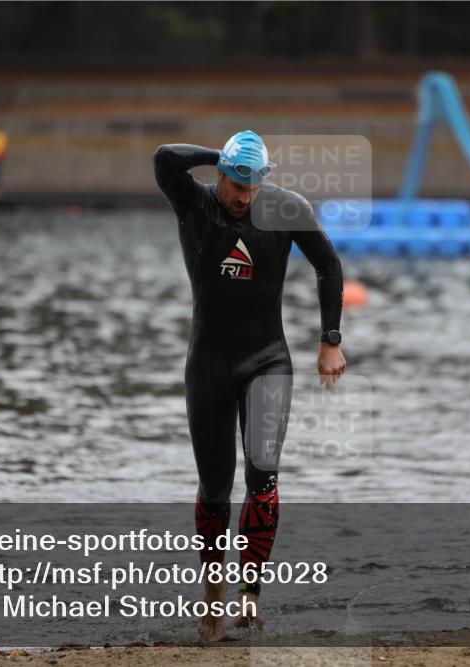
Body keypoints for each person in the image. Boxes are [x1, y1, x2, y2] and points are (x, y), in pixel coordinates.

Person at [153, 131, 346, 641]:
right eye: (237, 182)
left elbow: (328, 266)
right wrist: (222, 155)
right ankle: (213, 601)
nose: (245, 195)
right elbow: (165, 159)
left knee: (263, 475)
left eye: (254, 184)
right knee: (215, 489)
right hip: (209, 368)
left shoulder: (286, 208)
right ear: (220, 175)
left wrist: (330, 340)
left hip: (267, 362)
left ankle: (250, 596)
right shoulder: (193, 203)